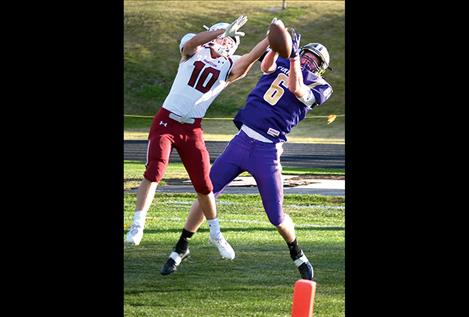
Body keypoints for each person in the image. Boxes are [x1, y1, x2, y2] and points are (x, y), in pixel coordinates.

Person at [160, 20, 333, 280]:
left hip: (268, 150)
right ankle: (180, 246)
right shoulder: (285, 62)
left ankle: (297, 252)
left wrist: (295, 57)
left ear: (321, 68)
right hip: (241, 141)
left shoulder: (321, 87)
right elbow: (265, 66)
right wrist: (276, 45)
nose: (309, 61)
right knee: (207, 192)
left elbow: (297, 89)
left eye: (314, 60)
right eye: (307, 54)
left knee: (276, 216)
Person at [125, 15, 271, 262]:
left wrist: (270, 37)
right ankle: (138, 224)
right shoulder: (194, 50)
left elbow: (249, 60)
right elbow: (191, 44)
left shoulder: (229, 65)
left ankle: (216, 233)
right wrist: (218, 34)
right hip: (166, 121)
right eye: (222, 37)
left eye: (230, 41)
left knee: (204, 185)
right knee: (155, 169)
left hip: (192, 129)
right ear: (212, 35)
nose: (225, 43)